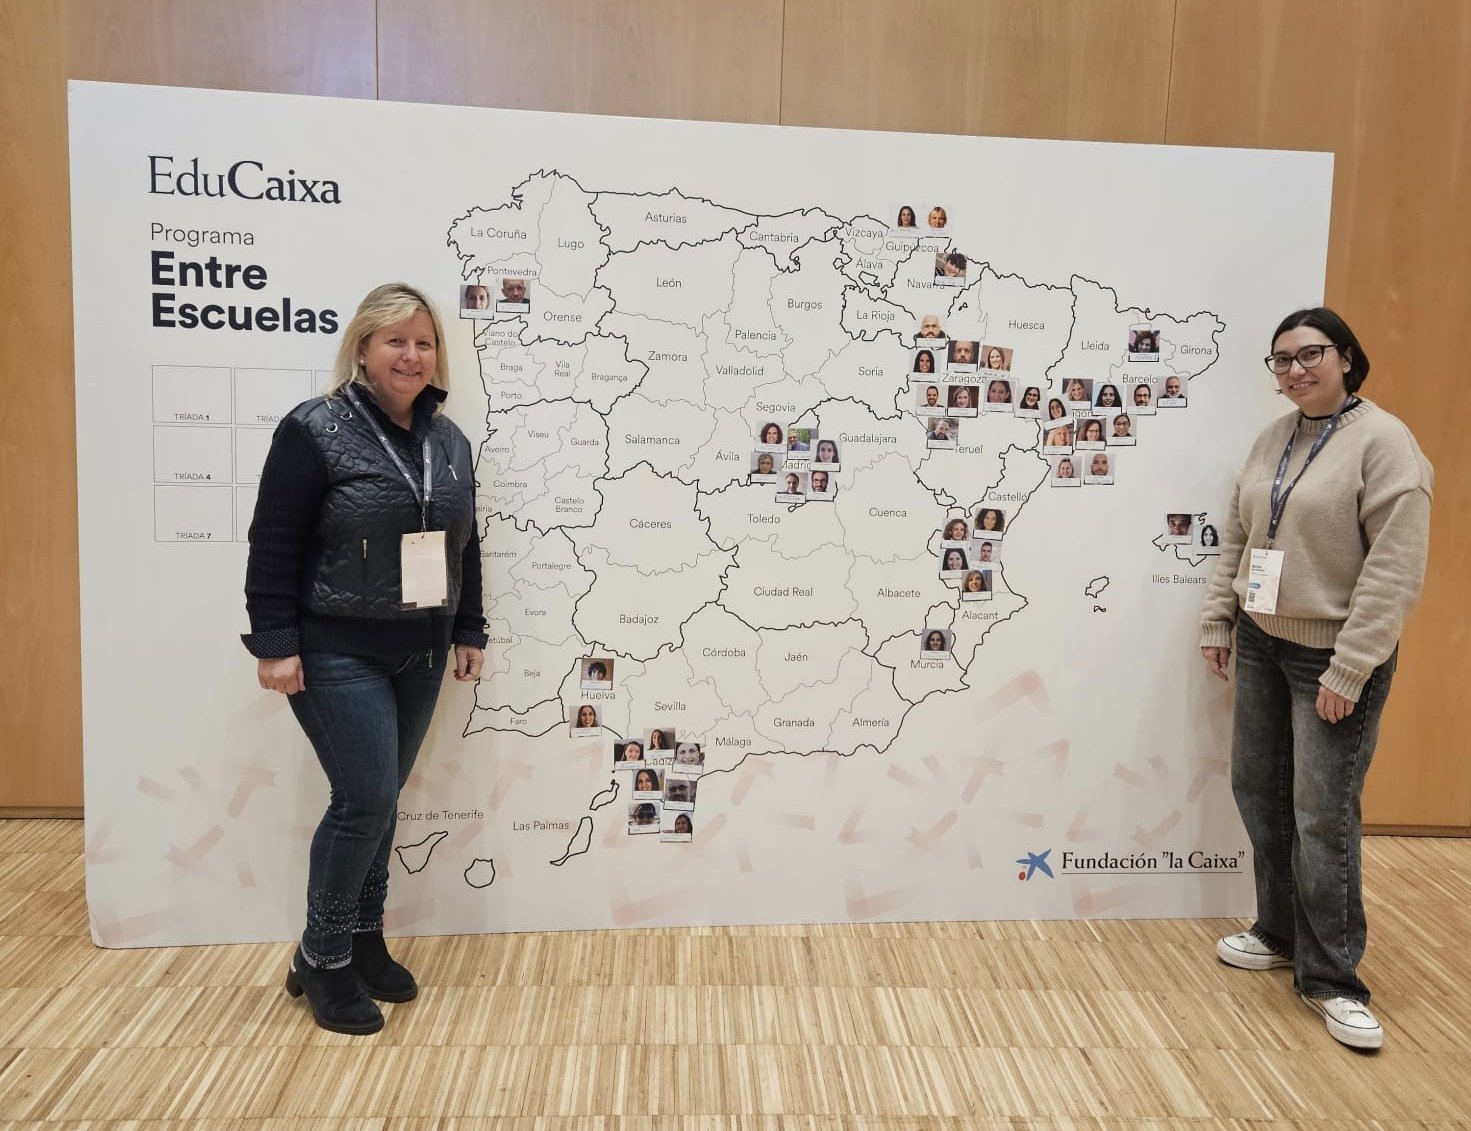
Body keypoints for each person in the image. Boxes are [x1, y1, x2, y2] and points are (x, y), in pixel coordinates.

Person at [244, 283, 486, 1035]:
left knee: (381, 803)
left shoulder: (449, 441)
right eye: (395, 341)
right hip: (336, 647)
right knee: (364, 802)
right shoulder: (313, 429)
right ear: (362, 347)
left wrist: (469, 628)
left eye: (424, 342)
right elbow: (273, 539)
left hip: (420, 649)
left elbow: (464, 544)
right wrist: (275, 642)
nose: (411, 355)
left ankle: (361, 939)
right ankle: (322, 958)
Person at [1200, 309, 1431, 1051]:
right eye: (1281, 360)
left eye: (1309, 354)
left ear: (1346, 358)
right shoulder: (1274, 437)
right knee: (1256, 789)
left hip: (1330, 657)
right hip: (1262, 640)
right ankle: (1278, 932)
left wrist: (1352, 666)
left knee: (1321, 815)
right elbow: (1240, 535)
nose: (1294, 370)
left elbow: (1394, 568)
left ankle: (1333, 979)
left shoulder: (1384, 442)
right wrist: (1219, 618)